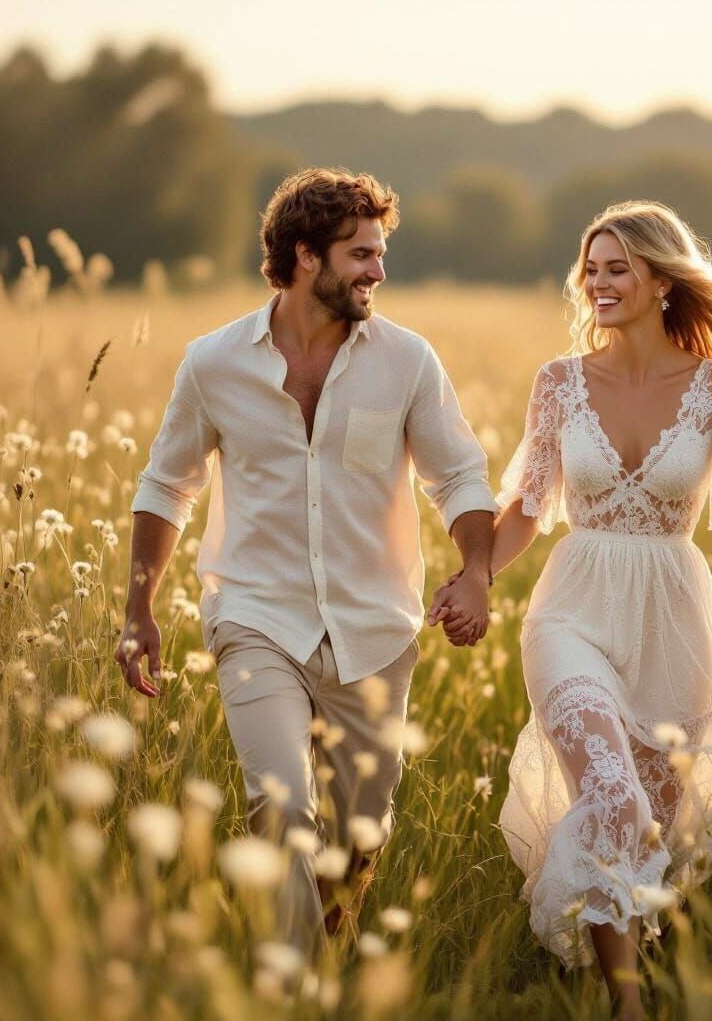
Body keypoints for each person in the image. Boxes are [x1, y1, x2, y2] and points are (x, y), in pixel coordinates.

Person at [430, 201, 712, 1020]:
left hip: (673, 624)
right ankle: (627, 1004)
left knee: (651, 828)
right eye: (593, 268)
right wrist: (478, 576)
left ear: (660, 279)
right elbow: (529, 505)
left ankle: (616, 959)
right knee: (613, 798)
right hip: (571, 612)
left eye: (618, 268)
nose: (600, 282)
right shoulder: (560, 382)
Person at [116, 167, 497, 960]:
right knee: (282, 804)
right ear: (303, 257)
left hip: (375, 627)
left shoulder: (408, 361)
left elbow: (458, 476)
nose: (377, 271)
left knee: (362, 832)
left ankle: (326, 934)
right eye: (360, 254)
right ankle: (297, 987)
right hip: (257, 617)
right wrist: (138, 609)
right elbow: (166, 486)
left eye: (380, 252)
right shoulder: (213, 363)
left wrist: (477, 571)